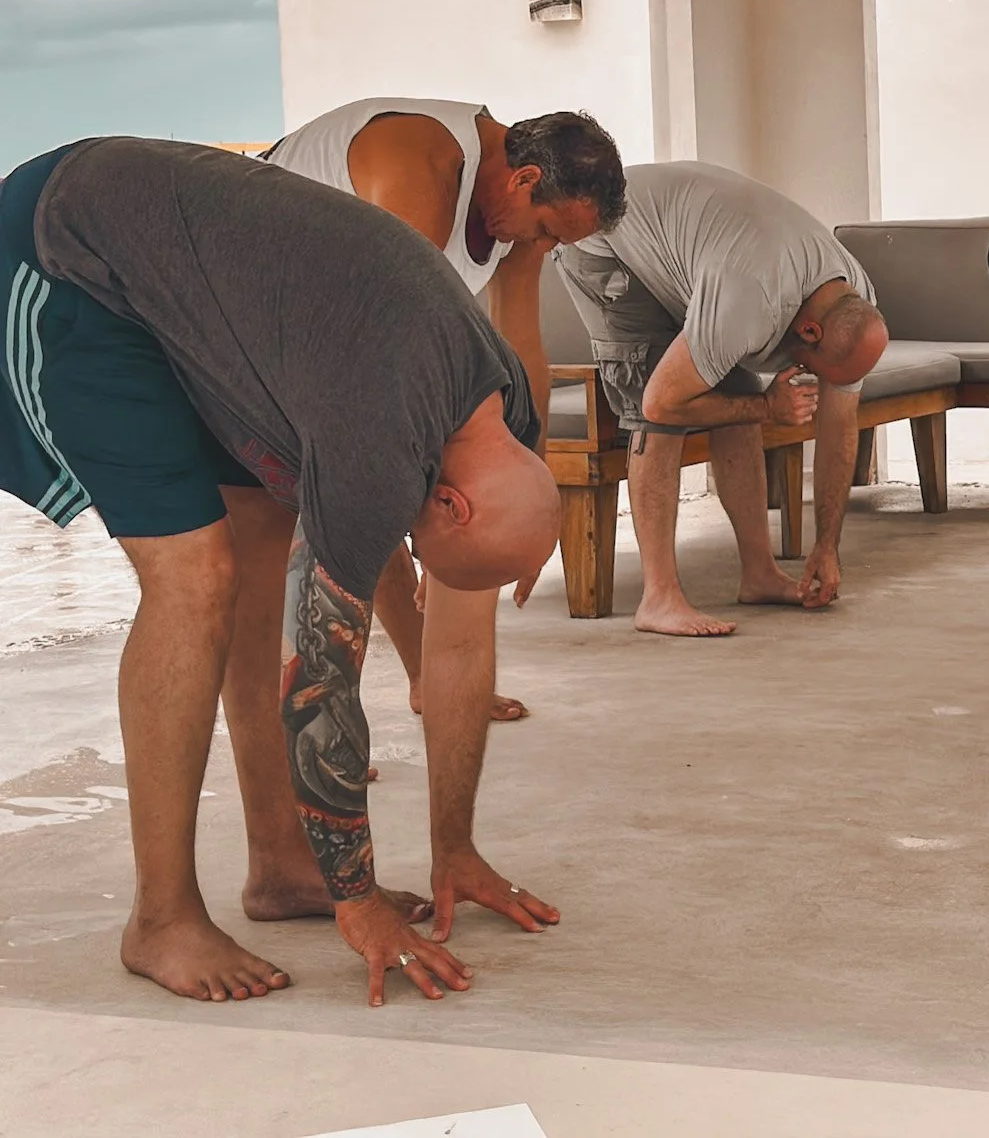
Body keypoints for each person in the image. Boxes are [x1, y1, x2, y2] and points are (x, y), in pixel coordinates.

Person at [0, 138, 564, 1006]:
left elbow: (454, 649)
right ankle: (160, 917)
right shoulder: (382, 439)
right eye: (418, 556)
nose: (408, 563)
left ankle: (281, 865)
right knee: (195, 578)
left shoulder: (503, 415)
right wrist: (361, 900)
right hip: (72, 253)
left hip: (205, 304)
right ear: (448, 507)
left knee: (262, 537)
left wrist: (456, 846)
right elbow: (321, 689)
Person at [265, 100, 627, 719]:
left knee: (437, 505)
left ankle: (428, 684)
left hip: (333, 333)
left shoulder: (516, 208)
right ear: (525, 179)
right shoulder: (423, 167)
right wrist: (429, 508)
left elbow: (521, 351)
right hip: (260, 318)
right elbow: (390, 344)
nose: (540, 247)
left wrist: (528, 488)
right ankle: (307, 730)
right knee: (318, 527)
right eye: (546, 232)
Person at [556, 162, 890, 637]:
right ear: (810, 331)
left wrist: (827, 547)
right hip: (607, 240)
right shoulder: (750, 295)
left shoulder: (855, 298)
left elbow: (838, 427)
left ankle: (759, 574)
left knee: (735, 396)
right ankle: (659, 598)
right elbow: (659, 404)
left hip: (696, 251)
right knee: (661, 407)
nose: (813, 380)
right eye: (814, 372)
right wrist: (768, 409)